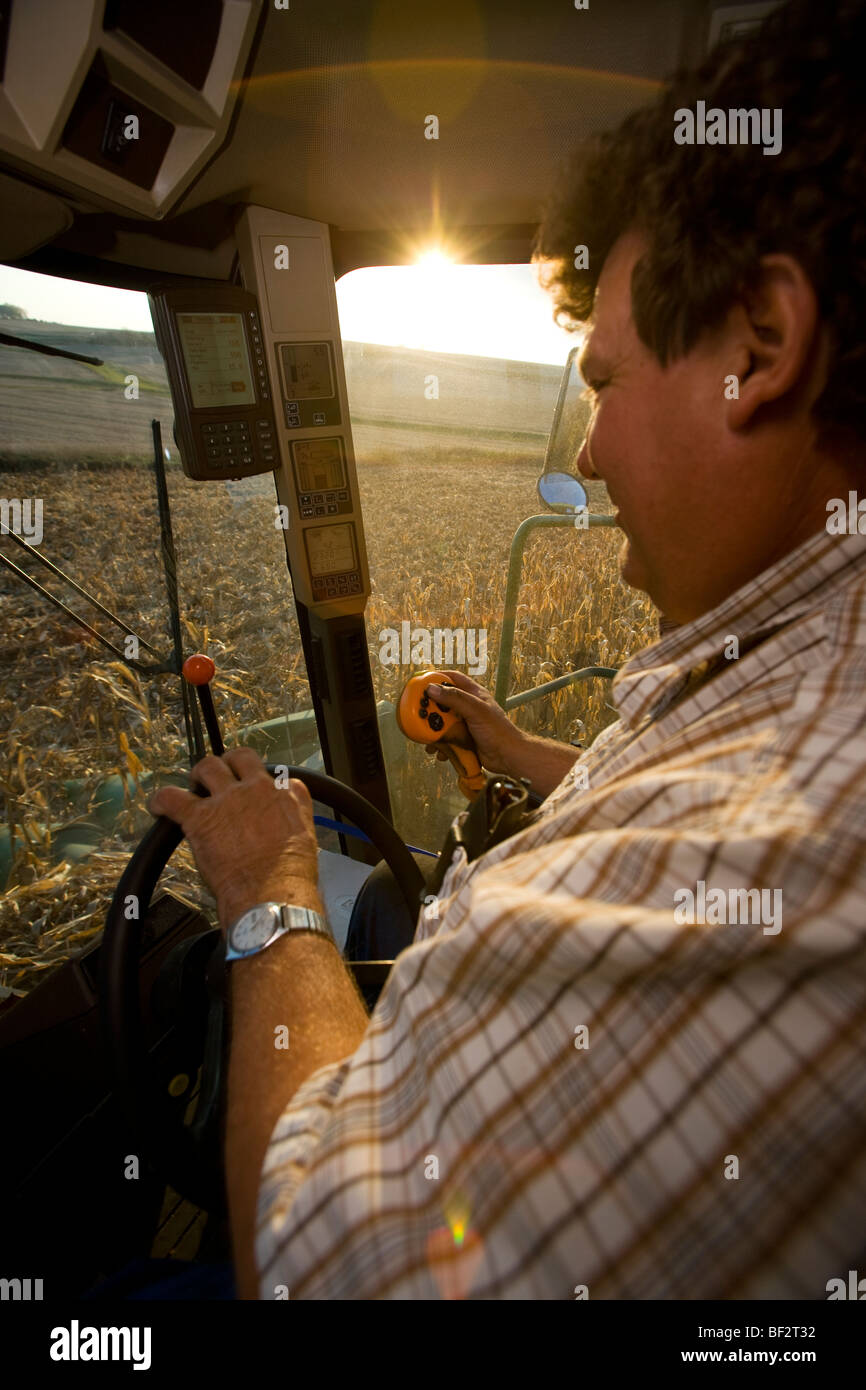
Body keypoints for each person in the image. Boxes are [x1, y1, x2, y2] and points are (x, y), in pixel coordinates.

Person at [150, 0, 866, 1299]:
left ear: (756, 347)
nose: (586, 455)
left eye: (603, 384)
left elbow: (318, 1270)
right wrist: (517, 746)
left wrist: (266, 898)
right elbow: (662, 778)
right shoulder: (797, 657)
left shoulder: (779, 846)